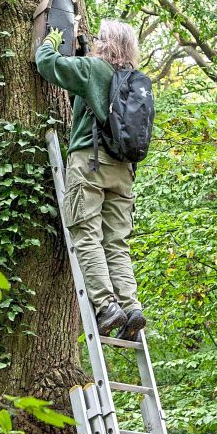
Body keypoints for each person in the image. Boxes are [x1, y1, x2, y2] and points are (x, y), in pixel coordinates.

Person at [35, 18, 146, 341]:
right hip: (123, 172)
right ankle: (131, 305)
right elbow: (84, 103)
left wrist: (52, 40)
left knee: (86, 234)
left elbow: (48, 64)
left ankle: (108, 305)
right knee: (116, 243)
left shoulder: (94, 70)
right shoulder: (133, 80)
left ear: (106, 43)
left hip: (90, 163)